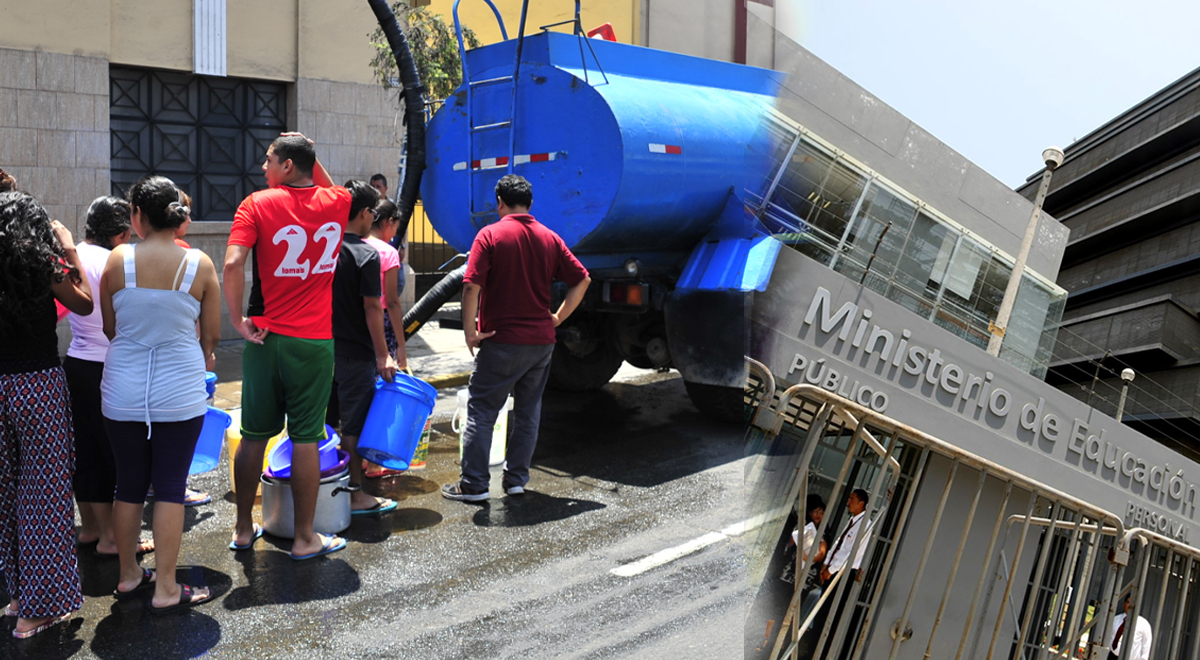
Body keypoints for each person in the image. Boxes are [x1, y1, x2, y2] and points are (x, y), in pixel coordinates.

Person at [224, 133, 350, 560]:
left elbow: (233, 262)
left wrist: (237, 319)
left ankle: (244, 529)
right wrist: (308, 152)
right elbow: (329, 185)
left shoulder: (256, 204)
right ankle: (303, 539)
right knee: (306, 438)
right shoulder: (339, 203)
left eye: (270, 160)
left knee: (254, 436)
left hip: (264, 338)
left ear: (289, 167)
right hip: (314, 342)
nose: (264, 168)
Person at [100, 176, 220, 613]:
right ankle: (168, 587)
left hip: (122, 390)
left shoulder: (118, 260)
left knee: (128, 484)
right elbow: (211, 337)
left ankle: (130, 574)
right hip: (179, 391)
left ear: (136, 216)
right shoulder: (200, 264)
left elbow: (111, 329)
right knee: (170, 486)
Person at [442, 174, 590, 502]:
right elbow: (582, 279)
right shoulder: (550, 237)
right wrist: (557, 318)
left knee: (482, 409)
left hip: (502, 340)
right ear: (531, 203)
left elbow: (470, 286)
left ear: (499, 202)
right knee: (528, 411)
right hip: (541, 342)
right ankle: (517, 479)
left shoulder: (490, 235)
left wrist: (470, 332)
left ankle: (475, 485)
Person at [0, 191, 91, 637]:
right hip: (36, 384)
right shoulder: (43, 264)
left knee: (8, 493)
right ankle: (37, 610)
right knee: (46, 495)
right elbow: (85, 302)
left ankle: (18, 594)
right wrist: (67, 245)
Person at [64, 196, 155, 558]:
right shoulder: (116, 261)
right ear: (119, 234)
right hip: (109, 366)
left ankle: (90, 528)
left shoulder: (74, 255)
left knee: (84, 450)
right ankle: (113, 539)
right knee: (115, 455)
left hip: (76, 363)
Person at [329, 180, 400, 511]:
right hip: (355, 352)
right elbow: (374, 307)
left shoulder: (324, 249)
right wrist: (383, 354)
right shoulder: (366, 254)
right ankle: (355, 494)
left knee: (323, 421)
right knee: (354, 422)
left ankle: (322, 486)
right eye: (373, 211)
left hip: (319, 348)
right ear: (364, 214)